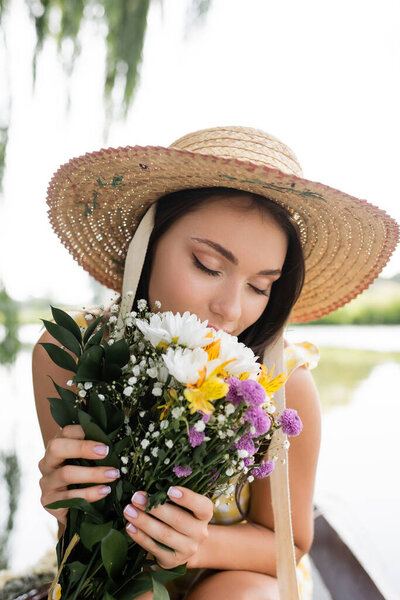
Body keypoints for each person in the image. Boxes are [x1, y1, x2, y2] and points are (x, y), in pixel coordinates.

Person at [32, 126, 399, 600]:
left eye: (260, 286)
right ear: (147, 247)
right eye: (207, 265)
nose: (231, 310)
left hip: (234, 577)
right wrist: (69, 501)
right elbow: (81, 523)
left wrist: (197, 544)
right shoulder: (70, 353)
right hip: (114, 568)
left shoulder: (283, 385)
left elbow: (288, 544)